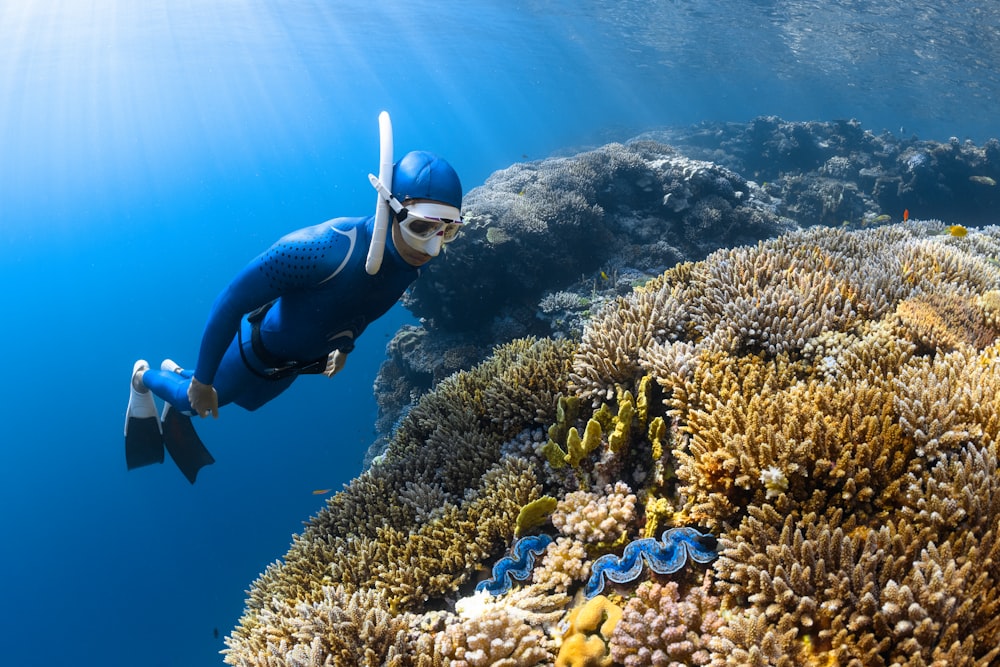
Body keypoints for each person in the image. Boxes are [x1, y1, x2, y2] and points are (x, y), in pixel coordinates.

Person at [124, 147, 463, 483]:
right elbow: (229, 302)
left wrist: (344, 348)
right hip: (254, 349)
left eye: (447, 231)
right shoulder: (322, 249)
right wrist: (203, 384)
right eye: (421, 227)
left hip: (293, 364)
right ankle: (144, 378)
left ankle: (178, 370)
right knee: (193, 404)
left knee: (252, 400)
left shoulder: (410, 263)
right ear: (391, 207)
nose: (433, 248)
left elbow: (364, 307)